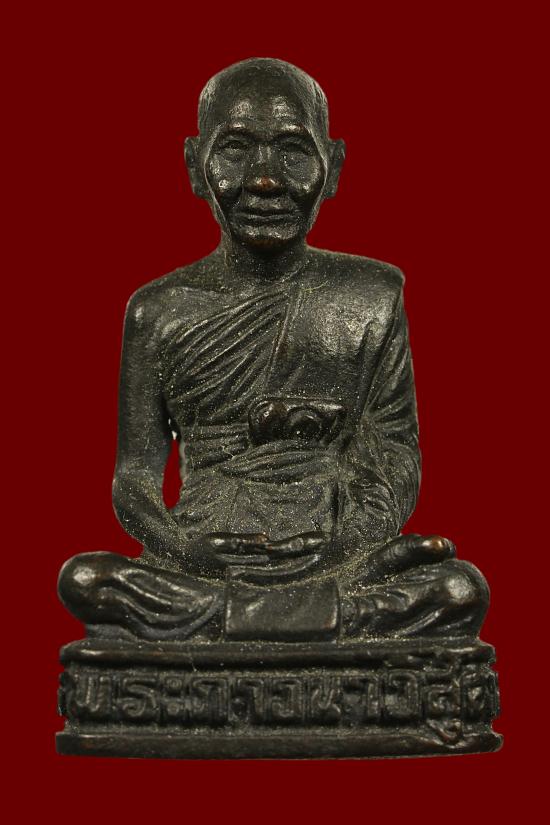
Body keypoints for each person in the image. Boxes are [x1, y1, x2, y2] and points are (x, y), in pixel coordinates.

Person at [59, 58, 488, 642]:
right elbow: (134, 476)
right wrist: (181, 545)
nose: (264, 180)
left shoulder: (372, 296)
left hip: (332, 549)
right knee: (86, 579)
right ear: (195, 165)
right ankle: (325, 621)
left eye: (292, 151)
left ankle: (243, 619)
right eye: (236, 149)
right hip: (209, 553)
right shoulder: (157, 311)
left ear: (333, 168)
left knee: (459, 589)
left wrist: (350, 543)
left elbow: (395, 454)